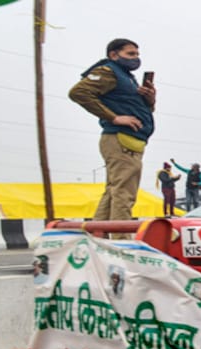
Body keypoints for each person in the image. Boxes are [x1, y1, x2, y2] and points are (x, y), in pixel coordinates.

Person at [68, 38, 156, 221]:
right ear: (113, 55)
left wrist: (149, 99)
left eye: (137, 54)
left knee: (113, 192)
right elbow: (78, 93)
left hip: (129, 140)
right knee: (124, 194)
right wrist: (114, 117)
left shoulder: (127, 78)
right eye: (130, 54)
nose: (136, 59)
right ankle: (121, 241)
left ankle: (98, 234)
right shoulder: (108, 71)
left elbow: (137, 109)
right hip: (121, 140)